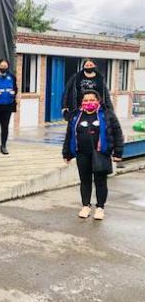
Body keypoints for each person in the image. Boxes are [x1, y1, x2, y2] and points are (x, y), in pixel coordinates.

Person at [62, 90, 123, 220]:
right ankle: (86, 206)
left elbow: (117, 133)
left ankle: (100, 207)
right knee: (85, 181)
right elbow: (69, 135)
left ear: (98, 100)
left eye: (92, 100)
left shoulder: (107, 114)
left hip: (101, 153)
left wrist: (118, 152)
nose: (89, 102)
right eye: (86, 100)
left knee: (100, 181)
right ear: (82, 102)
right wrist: (66, 153)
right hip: (82, 153)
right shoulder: (75, 115)